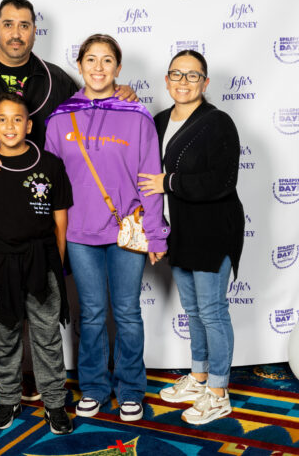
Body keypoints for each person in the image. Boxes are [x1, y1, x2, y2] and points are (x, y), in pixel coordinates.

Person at [0, 0, 137, 425]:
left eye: (24, 25)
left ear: (35, 31)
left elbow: (92, 103)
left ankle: (27, 378)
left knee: (34, 295)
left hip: (34, 206)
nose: (16, 33)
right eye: (8, 24)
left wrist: (121, 93)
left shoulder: (54, 79)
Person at [45, 34, 169, 422]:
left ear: (118, 67)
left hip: (125, 230)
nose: (98, 68)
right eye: (91, 60)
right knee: (93, 314)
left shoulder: (138, 116)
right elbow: (49, 183)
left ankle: (130, 389)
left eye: (107, 61)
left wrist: (156, 233)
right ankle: (95, 388)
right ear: (79, 65)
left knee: (128, 312)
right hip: (79, 234)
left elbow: (150, 179)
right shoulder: (59, 118)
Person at [138, 50, 244, 425]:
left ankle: (218, 392)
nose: (183, 82)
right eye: (177, 74)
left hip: (213, 229)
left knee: (212, 311)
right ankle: (199, 378)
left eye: (193, 75)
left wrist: (168, 182)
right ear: (167, 80)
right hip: (179, 230)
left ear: (205, 82)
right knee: (194, 310)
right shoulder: (159, 120)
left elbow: (222, 181)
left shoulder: (218, 122)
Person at [0, 92, 73, 433]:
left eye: (18, 119)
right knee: (5, 336)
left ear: (29, 125)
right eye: (3, 119)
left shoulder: (50, 164)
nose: (10, 126)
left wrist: (56, 264)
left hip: (41, 263)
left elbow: (60, 219)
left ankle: (54, 402)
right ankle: (8, 399)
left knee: (47, 336)